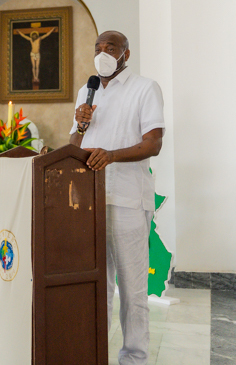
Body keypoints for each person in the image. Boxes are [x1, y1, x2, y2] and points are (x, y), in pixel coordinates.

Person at [69, 31, 165, 365]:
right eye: (97, 48)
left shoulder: (145, 88)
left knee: (132, 289)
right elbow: (74, 146)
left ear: (125, 54)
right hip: (90, 202)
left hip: (127, 200)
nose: (102, 54)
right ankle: (95, 354)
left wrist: (111, 156)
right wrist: (80, 126)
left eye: (110, 48)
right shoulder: (87, 91)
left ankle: (134, 359)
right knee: (96, 286)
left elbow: (153, 143)